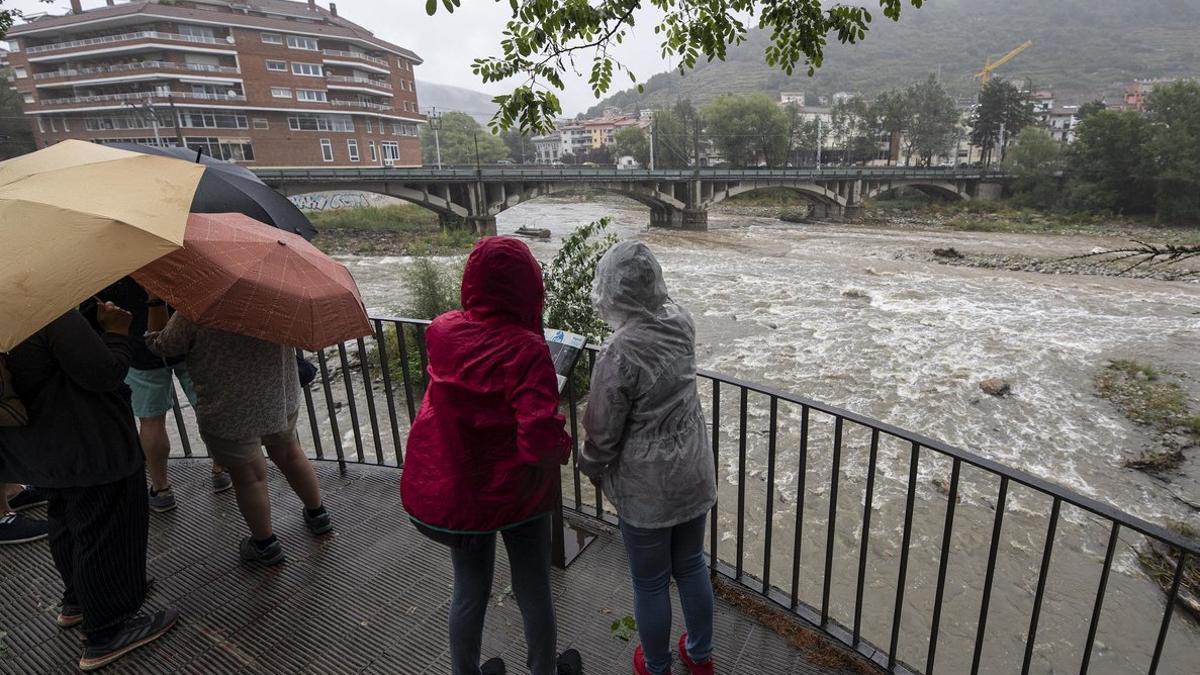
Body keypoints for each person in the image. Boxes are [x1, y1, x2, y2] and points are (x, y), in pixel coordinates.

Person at [401, 237, 583, 675]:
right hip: (519, 496)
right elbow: (538, 440)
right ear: (527, 287)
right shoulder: (527, 349)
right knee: (533, 588)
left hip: (462, 490)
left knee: (469, 589)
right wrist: (565, 446)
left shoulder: (442, 331)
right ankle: (543, 669)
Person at [0, 305, 179, 671]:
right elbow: (105, 373)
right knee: (107, 530)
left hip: (42, 449)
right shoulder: (46, 310)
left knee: (68, 520)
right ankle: (107, 631)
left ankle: (79, 601)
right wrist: (115, 331)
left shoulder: (9, 313)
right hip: (90, 445)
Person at [579, 241, 718, 675]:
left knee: (651, 581)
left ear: (612, 291)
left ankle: (656, 666)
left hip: (647, 488)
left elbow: (602, 430)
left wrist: (590, 466)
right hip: (693, 470)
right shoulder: (682, 321)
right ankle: (699, 655)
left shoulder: (618, 352)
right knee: (692, 564)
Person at [146, 303, 330, 566]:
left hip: (229, 408)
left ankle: (265, 545)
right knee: (290, 453)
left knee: (250, 478)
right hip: (279, 396)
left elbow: (162, 347)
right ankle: (318, 515)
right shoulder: (274, 297)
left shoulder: (197, 309)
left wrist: (154, 301)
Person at [98, 277, 230, 512]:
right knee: (206, 406)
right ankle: (221, 468)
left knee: (151, 420)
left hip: (139, 348)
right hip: (186, 339)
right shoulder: (167, 249)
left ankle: (161, 489)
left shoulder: (109, 264)